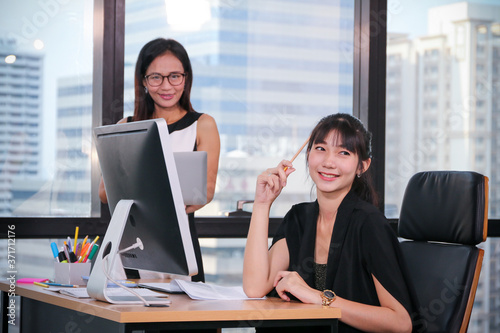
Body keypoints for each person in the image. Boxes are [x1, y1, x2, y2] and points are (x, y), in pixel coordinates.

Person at [243, 113, 419, 332]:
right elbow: (254, 287)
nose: (328, 162)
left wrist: (317, 297)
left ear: (362, 166)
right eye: (320, 149)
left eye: (343, 153)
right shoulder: (299, 218)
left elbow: (401, 323)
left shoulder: (369, 225)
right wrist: (262, 205)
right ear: (307, 155)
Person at [99, 38, 220, 283]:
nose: (166, 86)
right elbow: (104, 192)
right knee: (125, 315)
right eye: (156, 77)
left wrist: (148, 192)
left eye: (174, 76)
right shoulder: (127, 126)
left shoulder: (202, 125)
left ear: (186, 78)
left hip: (176, 245)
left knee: (179, 317)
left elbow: (205, 192)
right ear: (143, 81)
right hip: (127, 247)